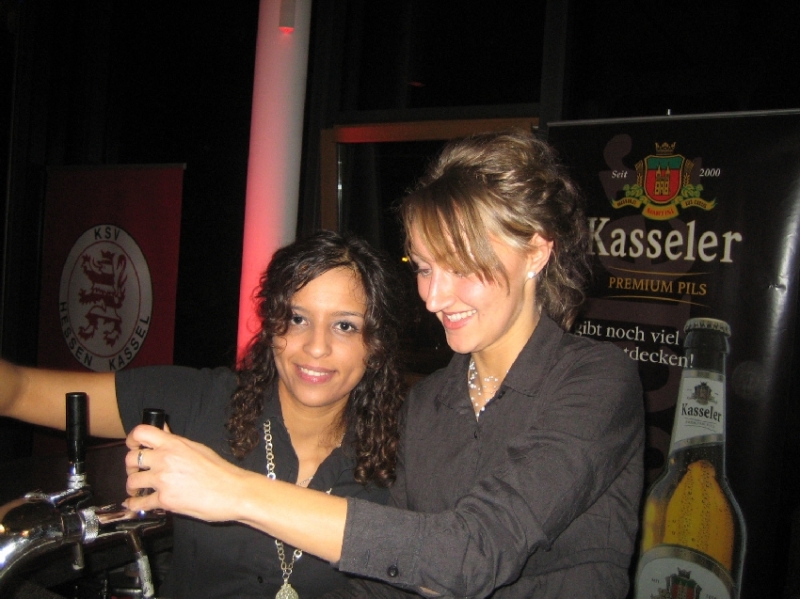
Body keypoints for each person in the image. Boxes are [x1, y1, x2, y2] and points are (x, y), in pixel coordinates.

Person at [124, 129, 645, 598]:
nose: (434, 298)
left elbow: (469, 554)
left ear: (535, 253)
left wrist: (235, 491)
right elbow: (388, 582)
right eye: (424, 268)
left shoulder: (595, 381)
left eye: (462, 267)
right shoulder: (428, 405)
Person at [0, 230, 407, 598]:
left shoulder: (405, 452)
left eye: (345, 326)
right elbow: (19, 390)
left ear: (376, 345)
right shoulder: (204, 401)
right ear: (271, 326)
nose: (316, 347)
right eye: (297, 318)